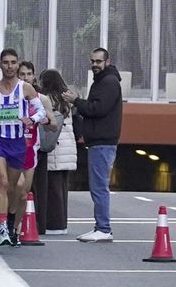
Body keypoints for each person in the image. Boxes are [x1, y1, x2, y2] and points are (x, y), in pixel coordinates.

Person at [0, 49, 47, 246]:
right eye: (5, 62)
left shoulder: (26, 88)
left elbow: (41, 110)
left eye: (13, 62)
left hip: (18, 142)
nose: (9, 66)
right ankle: (2, 226)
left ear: (17, 64)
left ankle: (11, 220)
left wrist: (31, 119)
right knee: (2, 182)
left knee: (12, 187)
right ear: (0, 64)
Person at [65, 47, 123, 243]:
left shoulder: (108, 82)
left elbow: (97, 109)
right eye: (92, 61)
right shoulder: (102, 81)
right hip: (99, 142)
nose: (95, 65)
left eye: (98, 61)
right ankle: (100, 227)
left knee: (99, 187)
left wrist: (76, 101)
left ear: (108, 61)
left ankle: (103, 228)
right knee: (98, 186)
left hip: (103, 142)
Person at [15, 60, 57, 236]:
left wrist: (46, 121)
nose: (26, 77)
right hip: (11, 148)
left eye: (29, 74)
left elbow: (54, 125)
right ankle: (5, 222)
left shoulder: (42, 99)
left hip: (32, 149)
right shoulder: (10, 95)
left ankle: (16, 226)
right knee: (12, 187)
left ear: (34, 76)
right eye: (22, 74)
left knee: (24, 191)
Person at [39, 69, 75, 233]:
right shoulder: (67, 98)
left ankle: (53, 224)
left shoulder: (49, 99)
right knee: (61, 188)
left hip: (56, 147)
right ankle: (62, 223)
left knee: (52, 189)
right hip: (68, 149)